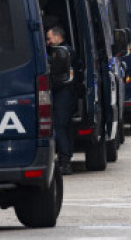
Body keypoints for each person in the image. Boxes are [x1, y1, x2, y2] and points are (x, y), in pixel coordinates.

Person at [47, 26, 76, 175]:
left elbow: (55, 69)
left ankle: (65, 161)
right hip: (63, 92)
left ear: (58, 37)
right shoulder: (59, 51)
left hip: (64, 92)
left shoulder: (64, 52)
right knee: (64, 126)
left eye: (49, 38)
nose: (47, 42)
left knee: (60, 125)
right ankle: (66, 157)